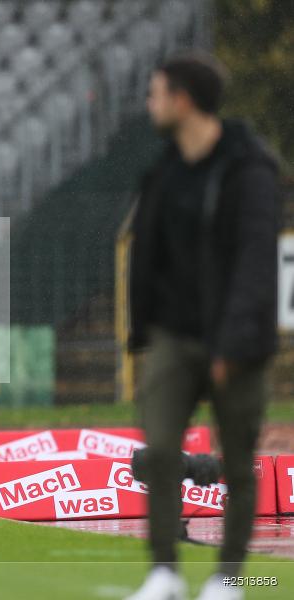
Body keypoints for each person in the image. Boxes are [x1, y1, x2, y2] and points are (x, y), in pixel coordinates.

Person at [126, 54, 280, 600]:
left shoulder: (250, 168)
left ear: (182, 99)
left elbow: (257, 261)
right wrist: (144, 330)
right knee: (161, 450)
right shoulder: (164, 169)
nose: (150, 104)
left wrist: (234, 340)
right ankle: (164, 572)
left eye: (155, 93)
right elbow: (149, 253)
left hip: (236, 340)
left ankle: (229, 579)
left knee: (237, 462)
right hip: (173, 334)